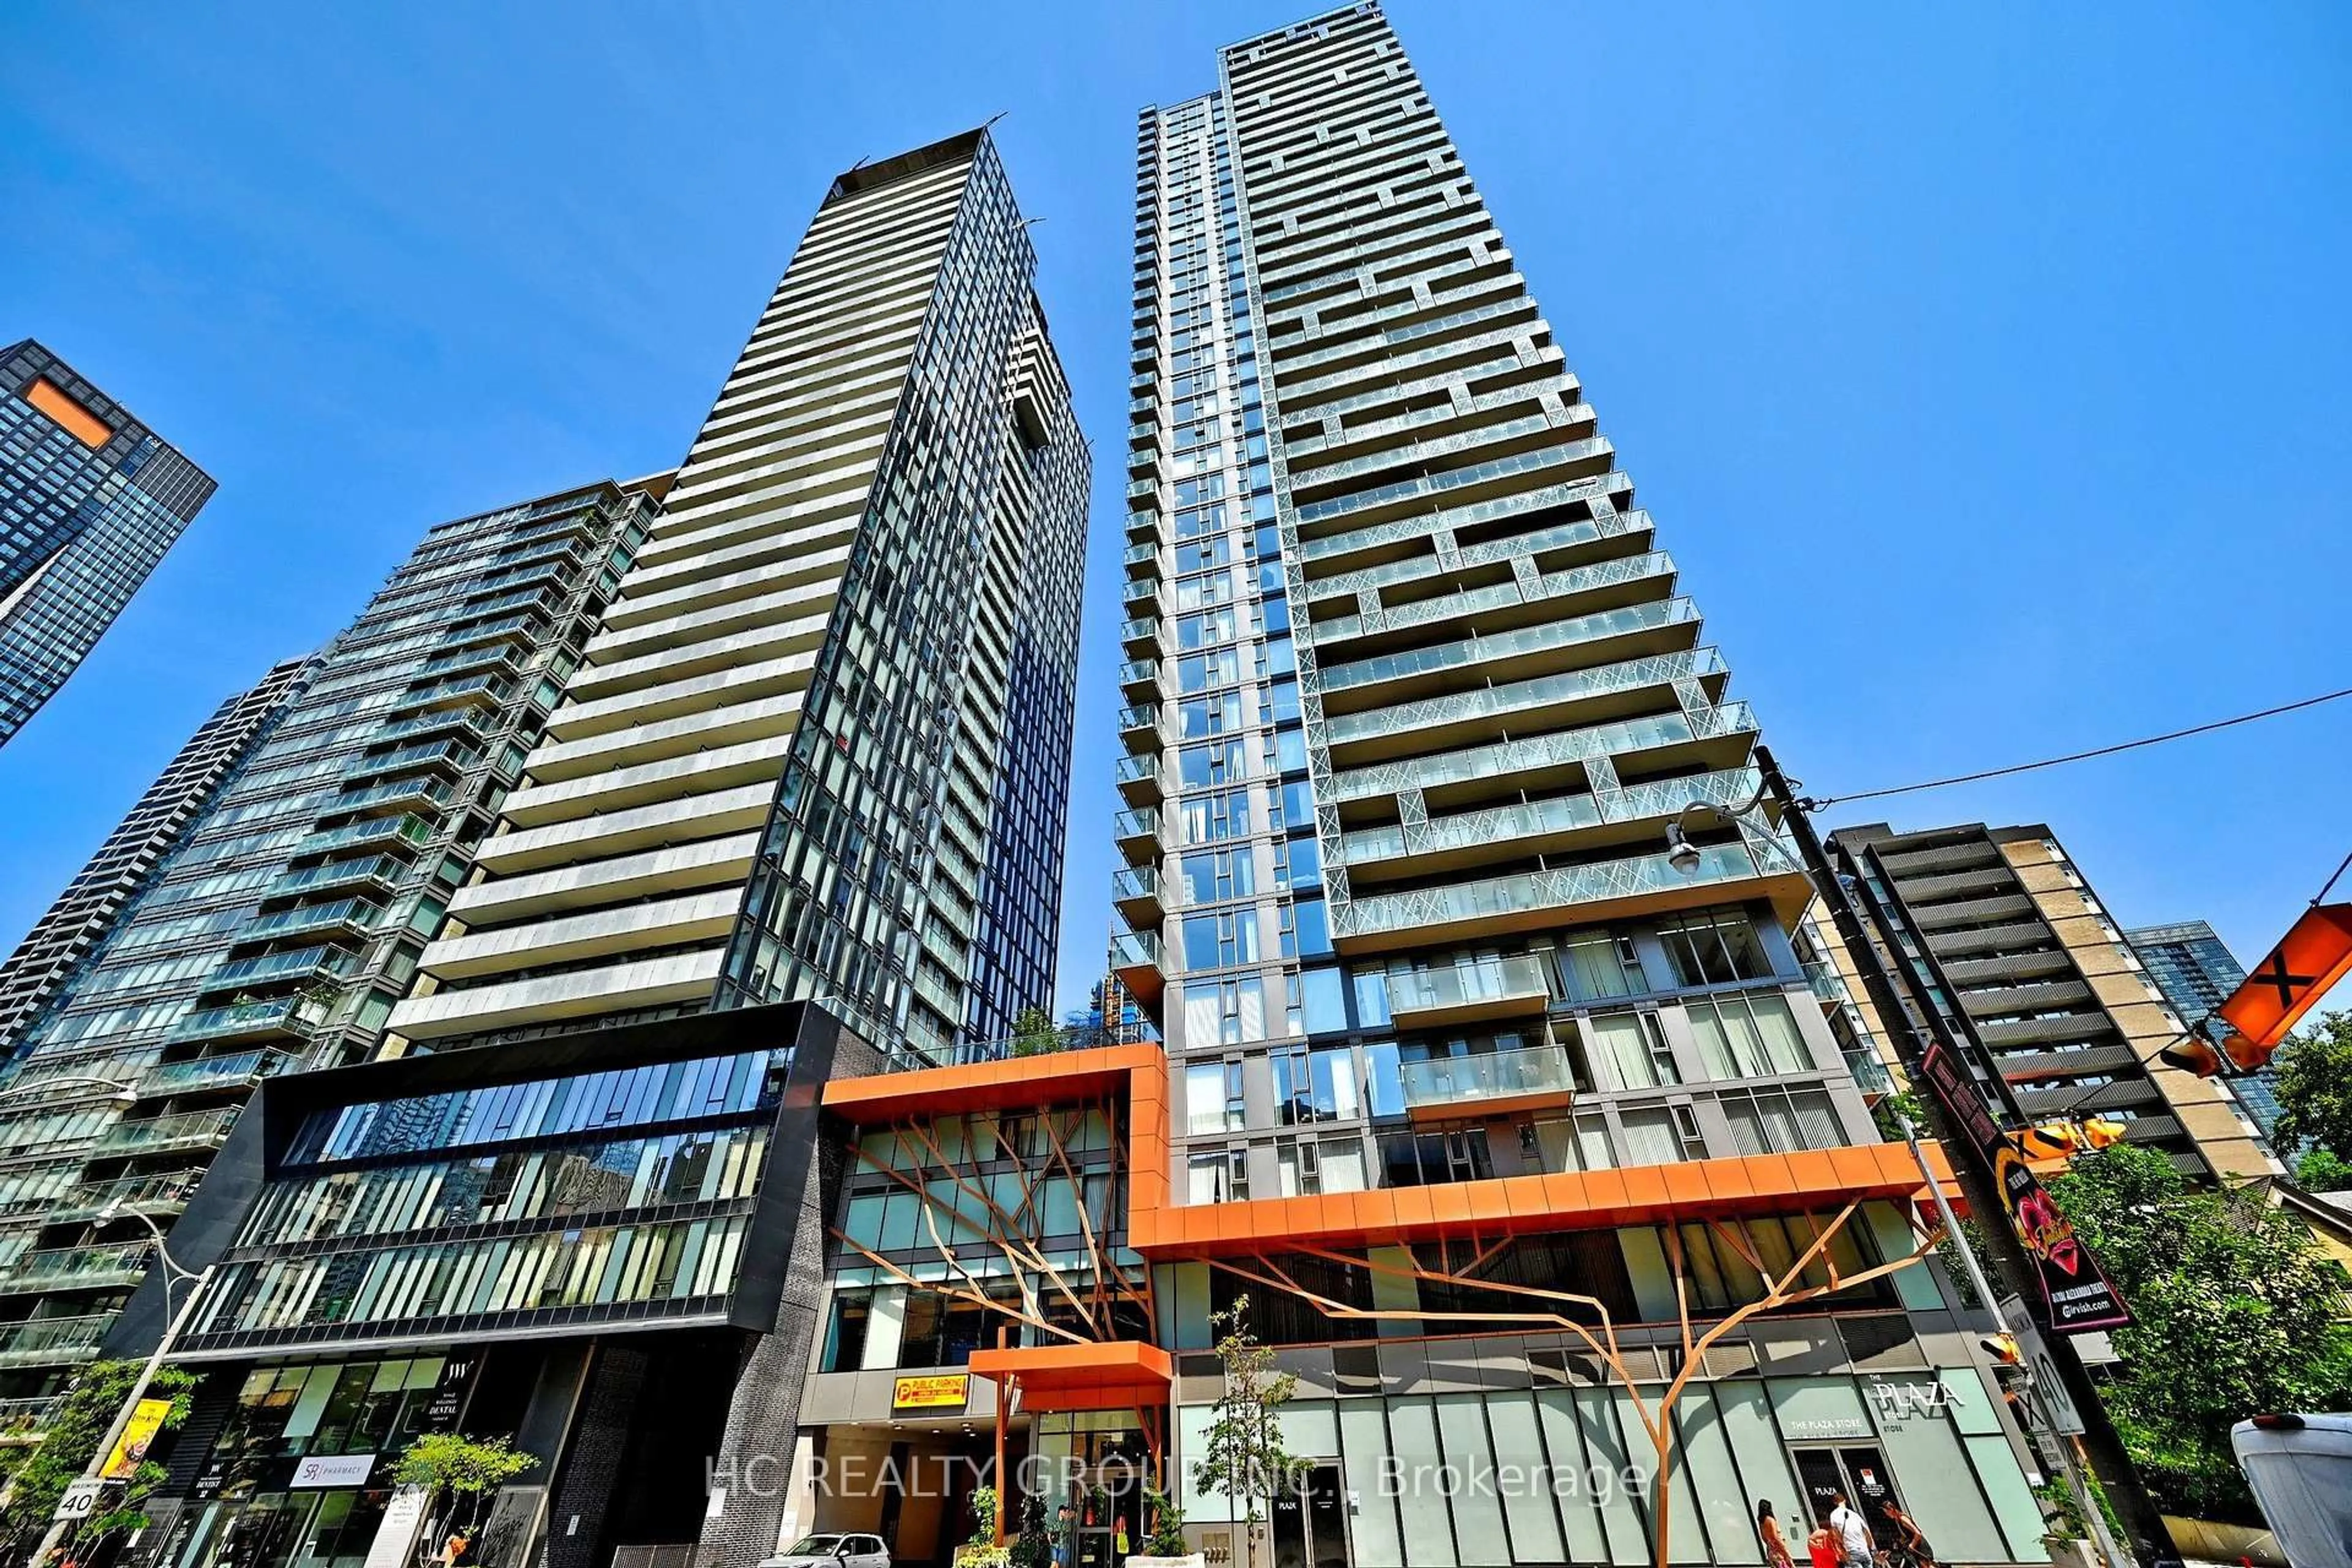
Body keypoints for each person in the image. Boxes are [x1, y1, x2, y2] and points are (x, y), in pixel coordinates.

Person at [1875, 1497, 1936, 1568]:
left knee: (1928, 1566)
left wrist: (1912, 1545)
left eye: (1886, 1512)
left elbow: (1918, 1533)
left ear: (1891, 1510)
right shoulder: (1897, 1520)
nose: (1886, 1514)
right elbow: (1906, 1535)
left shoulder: (1902, 1519)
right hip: (1915, 1548)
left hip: (1921, 1548)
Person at [1828, 1490, 1875, 1568]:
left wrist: (1842, 1549)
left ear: (1835, 1503)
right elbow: (1866, 1532)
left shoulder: (1834, 1515)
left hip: (1851, 1551)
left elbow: (1836, 1535)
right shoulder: (1855, 1515)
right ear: (1845, 1501)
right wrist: (1870, 1549)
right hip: (1865, 1551)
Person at [1757, 1499, 1795, 1568]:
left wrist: (1770, 1545)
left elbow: (1763, 1537)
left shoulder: (1762, 1523)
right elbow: (1776, 1537)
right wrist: (1786, 1551)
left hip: (1771, 1551)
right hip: (1779, 1551)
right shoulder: (1771, 1520)